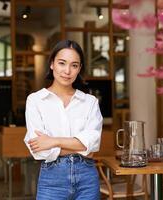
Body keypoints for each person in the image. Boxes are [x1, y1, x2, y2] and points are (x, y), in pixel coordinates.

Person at [24, 39, 103, 200]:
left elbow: (92, 146)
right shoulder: (35, 100)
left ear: (79, 69)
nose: (67, 71)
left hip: (87, 179)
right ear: (52, 64)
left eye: (74, 65)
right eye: (62, 63)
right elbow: (40, 150)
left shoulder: (90, 102)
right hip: (51, 179)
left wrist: (53, 141)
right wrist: (80, 145)